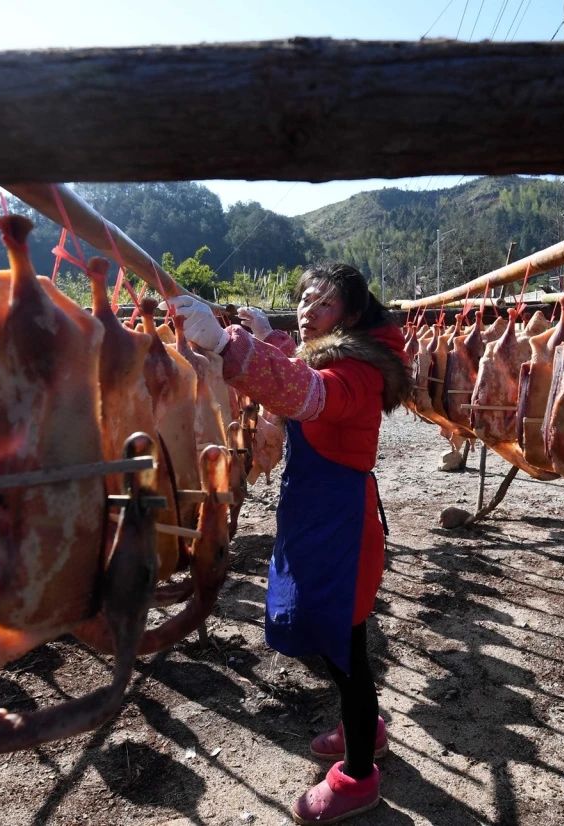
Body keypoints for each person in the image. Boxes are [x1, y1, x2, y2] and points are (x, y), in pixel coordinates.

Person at [164, 263, 409, 824]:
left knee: (346, 651)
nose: (305, 310)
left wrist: (231, 346)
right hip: (315, 519)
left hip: (341, 527)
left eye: (321, 304)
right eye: (302, 300)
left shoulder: (358, 372)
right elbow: (301, 366)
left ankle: (358, 776)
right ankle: (363, 730)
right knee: (330, 636)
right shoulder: (333, 355)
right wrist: (264, 337)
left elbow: (310, 392)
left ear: (348, 316)